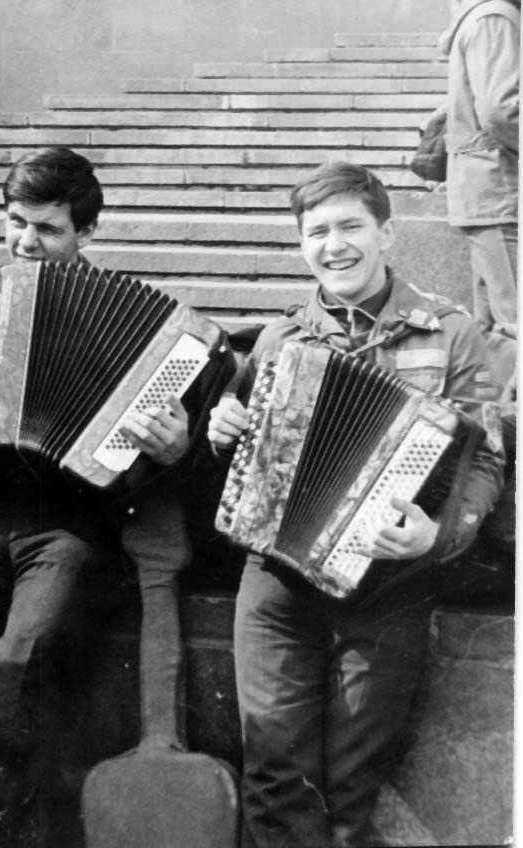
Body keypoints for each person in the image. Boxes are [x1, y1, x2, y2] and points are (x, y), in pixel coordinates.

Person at [0, 146, 234, 848]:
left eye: (48, 228)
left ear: (86, 230)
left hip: (73, 530)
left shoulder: (152, 333)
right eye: (16, 222)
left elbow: (197, 469)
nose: (26, 241)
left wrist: (176, 450)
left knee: (12, 678)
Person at [207, 162, 504, 848]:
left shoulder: (451, 332)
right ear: (300, 244)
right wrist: (222, 432)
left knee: (349, 788)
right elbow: (244, 448)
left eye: (350, 227)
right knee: (273, 776)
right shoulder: (280, 338)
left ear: (386, 234)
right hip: (277, 579)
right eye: (317, 232)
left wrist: (439, 535)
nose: (333, 246)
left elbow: (488, 456)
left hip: (388, 582)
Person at [439, 0, 519, 391]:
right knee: (515, 325)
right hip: (500, 188)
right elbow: (502, 111)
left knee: (496, 334)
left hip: (486, 191)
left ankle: (498, 420)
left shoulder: (485, 16)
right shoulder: (496, 18)